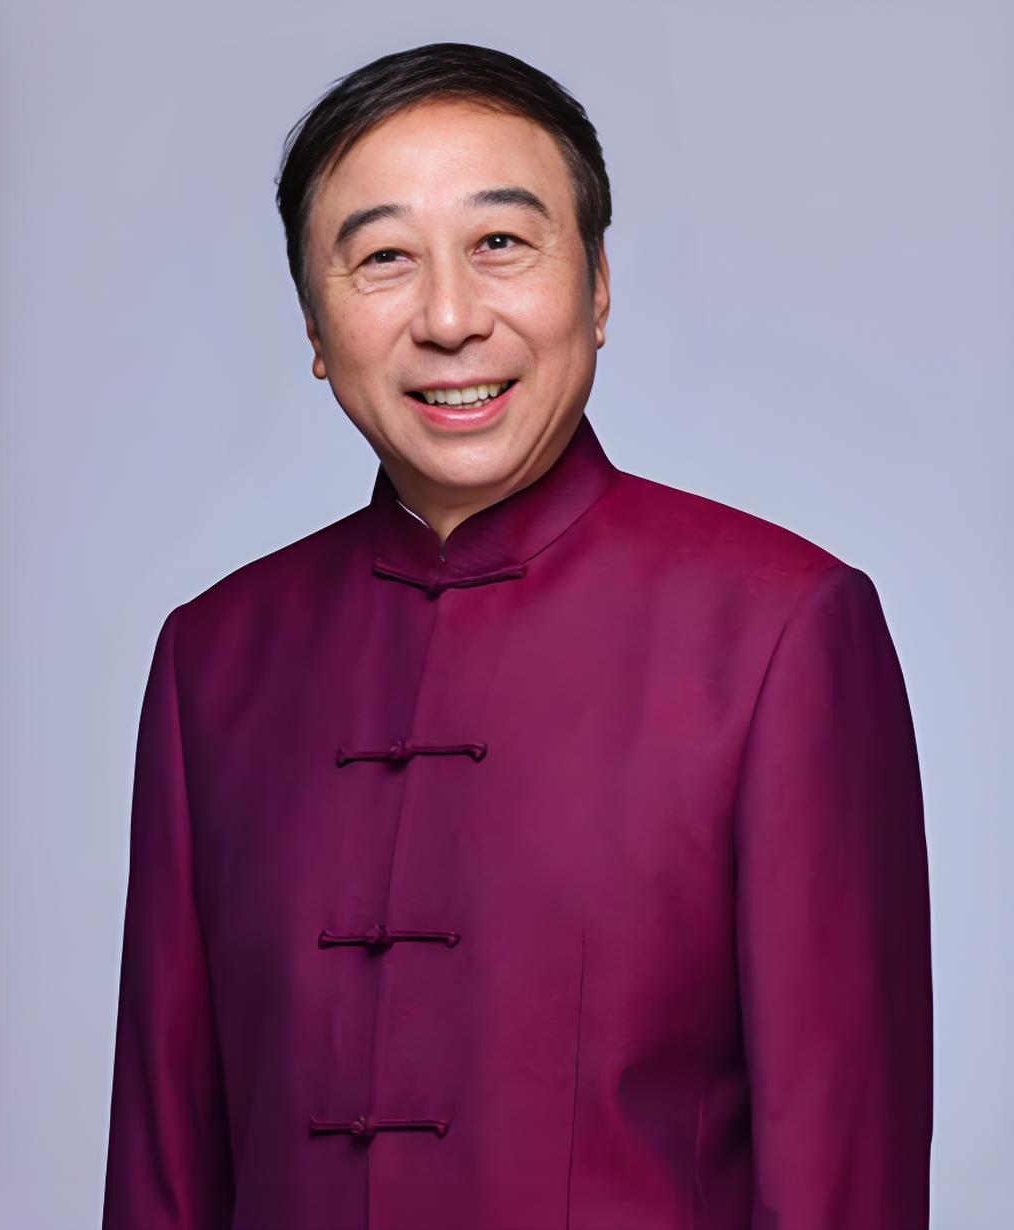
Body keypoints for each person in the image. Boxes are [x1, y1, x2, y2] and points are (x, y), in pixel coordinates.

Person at [101, 41, 933, 1230]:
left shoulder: (781, 630)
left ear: (596, 287)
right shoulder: (214, 658)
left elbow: (839, 1177)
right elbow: (161, 1169)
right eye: (383, 259)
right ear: (315, 329)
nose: (449, 319)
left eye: (500, 242)